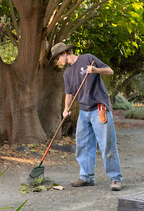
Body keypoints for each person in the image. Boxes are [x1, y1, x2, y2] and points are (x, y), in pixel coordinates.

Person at [51, 42, 123, 191]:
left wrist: (95, 70)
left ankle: (115, 178)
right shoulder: (67, 73)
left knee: (107, 145)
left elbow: (110, 71)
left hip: (99, 109)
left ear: (64, 53)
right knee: (83, 146)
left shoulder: (87, 58)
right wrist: (66, 109)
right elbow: (69, 94)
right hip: (84, 112)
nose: (57, 62)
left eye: (57, 58)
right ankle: (86, 177)